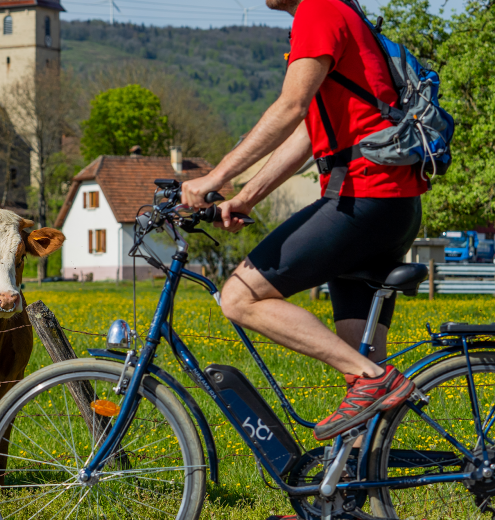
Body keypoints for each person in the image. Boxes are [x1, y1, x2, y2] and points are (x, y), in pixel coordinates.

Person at [181, 0, 422, 458]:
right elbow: (310, 136)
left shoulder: (318, 9)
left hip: (362, 199)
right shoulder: (339, 14)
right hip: (390, 204)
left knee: (239, 297)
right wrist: (245, 197)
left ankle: (374, 380)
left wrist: (214, 178)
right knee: (361, 360)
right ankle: (345, 497)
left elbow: (290, 107)